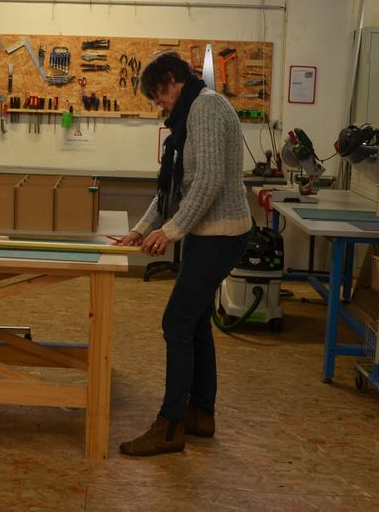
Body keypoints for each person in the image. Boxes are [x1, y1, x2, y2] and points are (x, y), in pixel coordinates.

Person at [114, 51, 252, 457]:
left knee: (176, 322)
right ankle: (200, 414)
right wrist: (141, 229)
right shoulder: (190, 113)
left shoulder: (206, 108)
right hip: (206, 233)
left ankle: (171, 425)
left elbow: (209, 181)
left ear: (174, 79)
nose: (160, 104)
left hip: (221, 235)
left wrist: (171, 231)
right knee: (194, 323)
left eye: (160, 94)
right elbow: (176, 187)